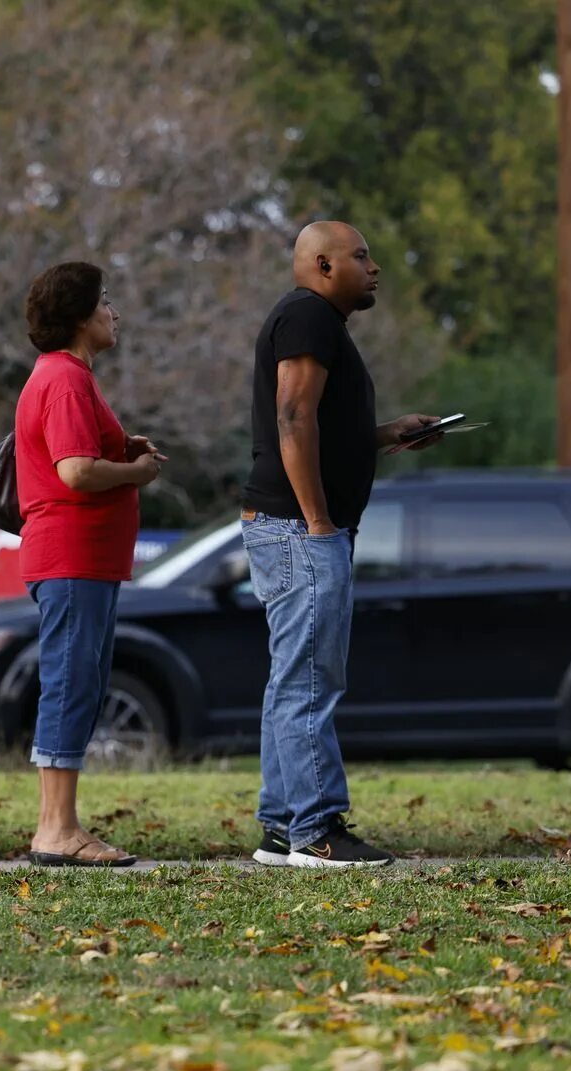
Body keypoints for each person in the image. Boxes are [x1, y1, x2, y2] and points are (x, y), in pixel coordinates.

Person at [241, 222, 442, 869]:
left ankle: (281, 823)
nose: (374, 266)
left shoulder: (314, 321)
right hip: (299, 529)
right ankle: (317, 829)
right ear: (322, 265)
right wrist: (319, 522)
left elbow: (322, 425)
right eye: (361, 256)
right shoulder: (309, 317)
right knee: (309, 679)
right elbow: (292, 417)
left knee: (292, 676)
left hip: (290, 526)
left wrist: (388, 434)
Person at [14, 261, 163, 867]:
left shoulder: (65, 378)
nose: (114, 311)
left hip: (85, 560)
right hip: (71, 555)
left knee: (82, 682)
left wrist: (119, 449)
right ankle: (55, 830)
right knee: (71, 683)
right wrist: (136, 472)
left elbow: (74, 452)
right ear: (79, 317)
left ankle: (63, 824)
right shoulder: (66, 379)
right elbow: (74, 470)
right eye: (105, 302)